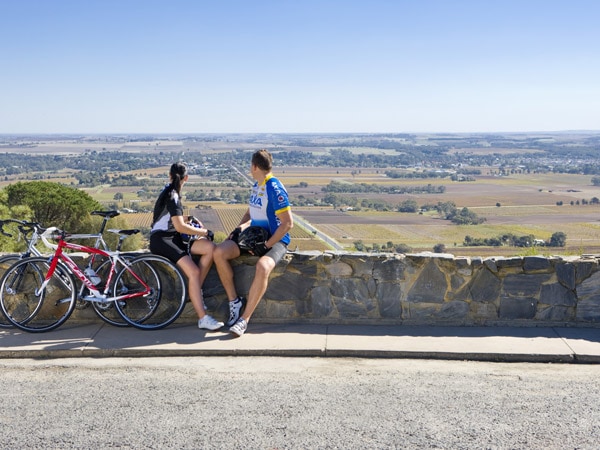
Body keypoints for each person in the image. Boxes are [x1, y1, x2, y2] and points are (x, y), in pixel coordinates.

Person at [213, 149, 293, 337]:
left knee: (263, 266)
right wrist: (235, 232)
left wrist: (266, 246)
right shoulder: (257, 186)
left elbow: (287, 224)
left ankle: (244, 319)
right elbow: (250, 214)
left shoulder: (274, 188)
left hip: (275, 240)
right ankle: (235, 302)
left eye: (250, 165)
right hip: (253, 236)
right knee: (219, 253)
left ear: (255, 166)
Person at [149, 162, 224, 331]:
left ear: (169, 176)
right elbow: (180, 227)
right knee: (194, 271)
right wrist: (205, 232)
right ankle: (202, 317)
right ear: (186, 178)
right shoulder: (173, 196)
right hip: (163, 240)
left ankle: (195, 288)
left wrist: (189, 218)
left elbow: (175, 219)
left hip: (170, 237)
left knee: (209, 249)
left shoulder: (171, 192)